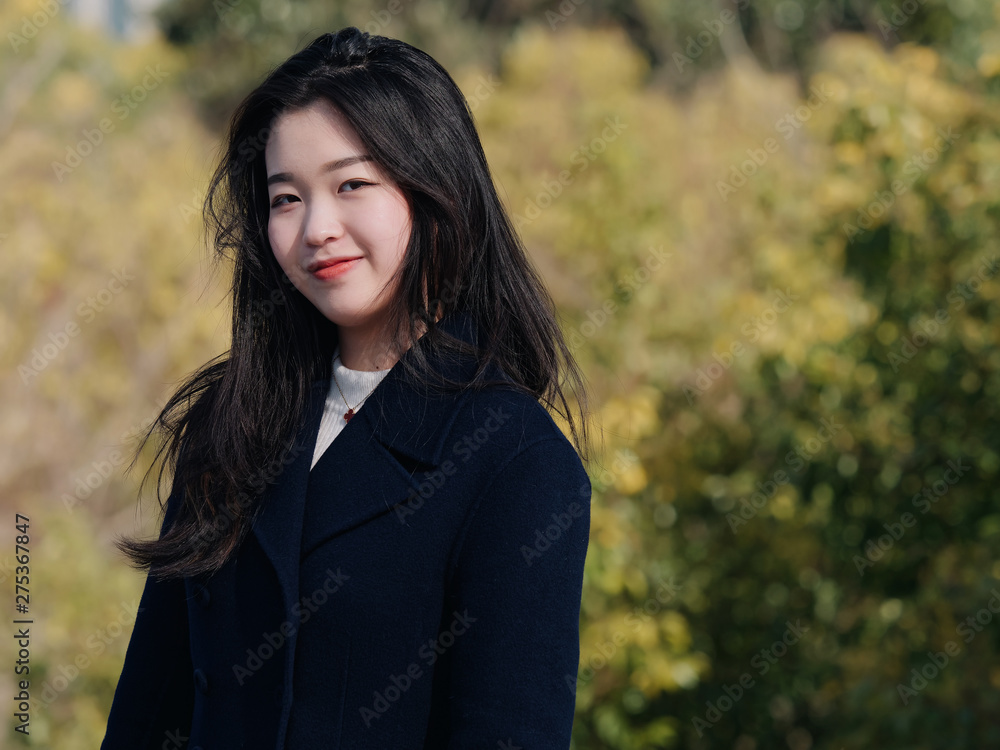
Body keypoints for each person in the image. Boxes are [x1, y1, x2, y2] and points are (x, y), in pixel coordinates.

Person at [101, 25, 595, 750]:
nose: (316, 229)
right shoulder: (231, 422)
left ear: (435, 188)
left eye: (352, 184)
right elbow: (148, 713)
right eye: (285, 198)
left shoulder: (515, 462)